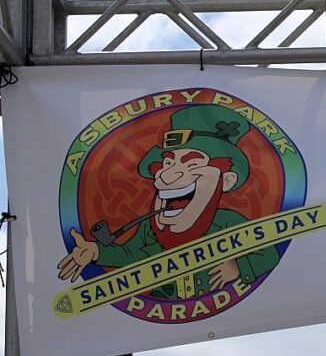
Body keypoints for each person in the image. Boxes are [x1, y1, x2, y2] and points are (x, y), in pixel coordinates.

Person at [57, 105, 280, 299]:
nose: (166, 176)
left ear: (227, 179)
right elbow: (134, 255)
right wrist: (97, 252)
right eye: (166, 164)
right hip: (163, 306)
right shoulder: (152, 226)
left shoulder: (228, 222)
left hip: (215, 320)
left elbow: (267, 253)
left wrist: (238, 267)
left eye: (191, 165)